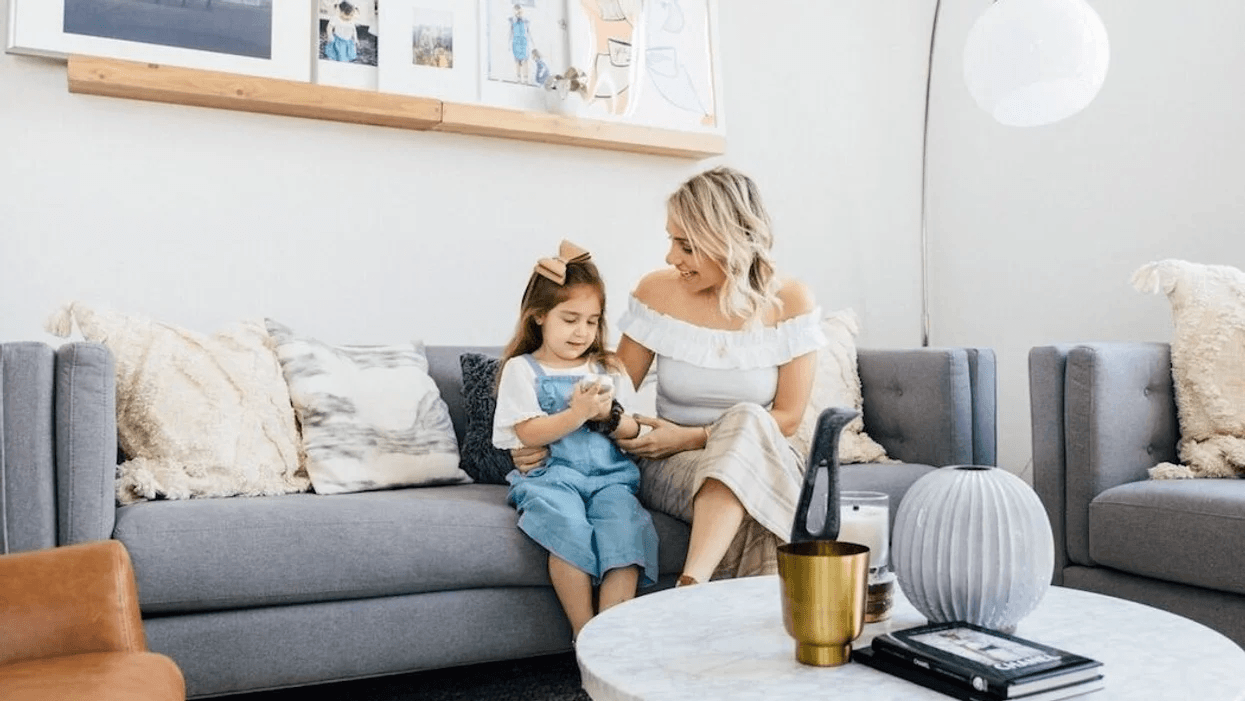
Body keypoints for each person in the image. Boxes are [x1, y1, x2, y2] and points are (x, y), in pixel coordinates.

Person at [512, 167, 826, 587]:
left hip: (757, 453)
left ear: (727, 241)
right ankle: (760, 615)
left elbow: (787, 417)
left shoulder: (790, 301)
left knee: (749, 421)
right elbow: (609, 391)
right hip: (669, 461)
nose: (670, 257)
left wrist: (691, 436)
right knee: (747, 481)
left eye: (686, 245)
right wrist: (535, 437)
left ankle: (692, 586)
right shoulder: (657, 292)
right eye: (670, 240)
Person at [492, 240, 659, 640]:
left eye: (591, 321)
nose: (581, 332)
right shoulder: (522, 369)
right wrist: (576, 414)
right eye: (569, 319)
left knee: (625, 533)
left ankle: (610, 640)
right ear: (538, 318)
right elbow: (527, 431)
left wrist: (610, 417)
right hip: (553, 477)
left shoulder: (608, 366)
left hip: (610, 477)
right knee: (567, 528)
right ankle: (583, 634)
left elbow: (636, 428)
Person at [508, 4, 533, 84]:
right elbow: (510, 33)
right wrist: (509, 43)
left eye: (520, 11)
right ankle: (518, 77)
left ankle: (526, 78)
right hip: (516, 42)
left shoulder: (526, 21)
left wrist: (532, 42)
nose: (518, 13)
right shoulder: (512, 21)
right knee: (517, 61)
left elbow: (529, 32)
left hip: (524, 42)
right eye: (516, 11)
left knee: (525, 61)